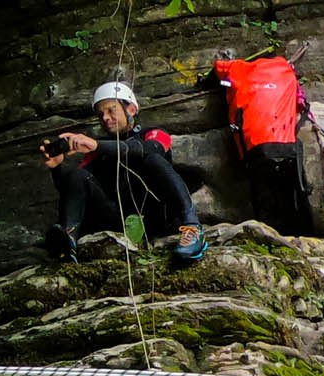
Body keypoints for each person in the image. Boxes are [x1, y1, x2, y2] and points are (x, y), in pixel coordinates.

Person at [41, 81, 207, 266]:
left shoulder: (154, 134)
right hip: (120, 221)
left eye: (111, 110)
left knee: (151, 158)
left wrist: (96, 145)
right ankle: (68, 242)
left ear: (132, 109)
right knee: (78, 175)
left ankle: (193, 228)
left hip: (158, 215)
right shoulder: (97, 151)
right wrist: (57, 168)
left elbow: (150, 149)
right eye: (101, 114)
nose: (105, 117)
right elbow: (75, 190)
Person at [213, 53, 313, 235]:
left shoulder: (238, 69)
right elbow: (300, 106)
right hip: (287, 147)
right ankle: (302, 233)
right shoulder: (284, 70)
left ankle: (269, 235)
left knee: (264, 199)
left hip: (256, 149)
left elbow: (218, 67)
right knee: (293, 194)